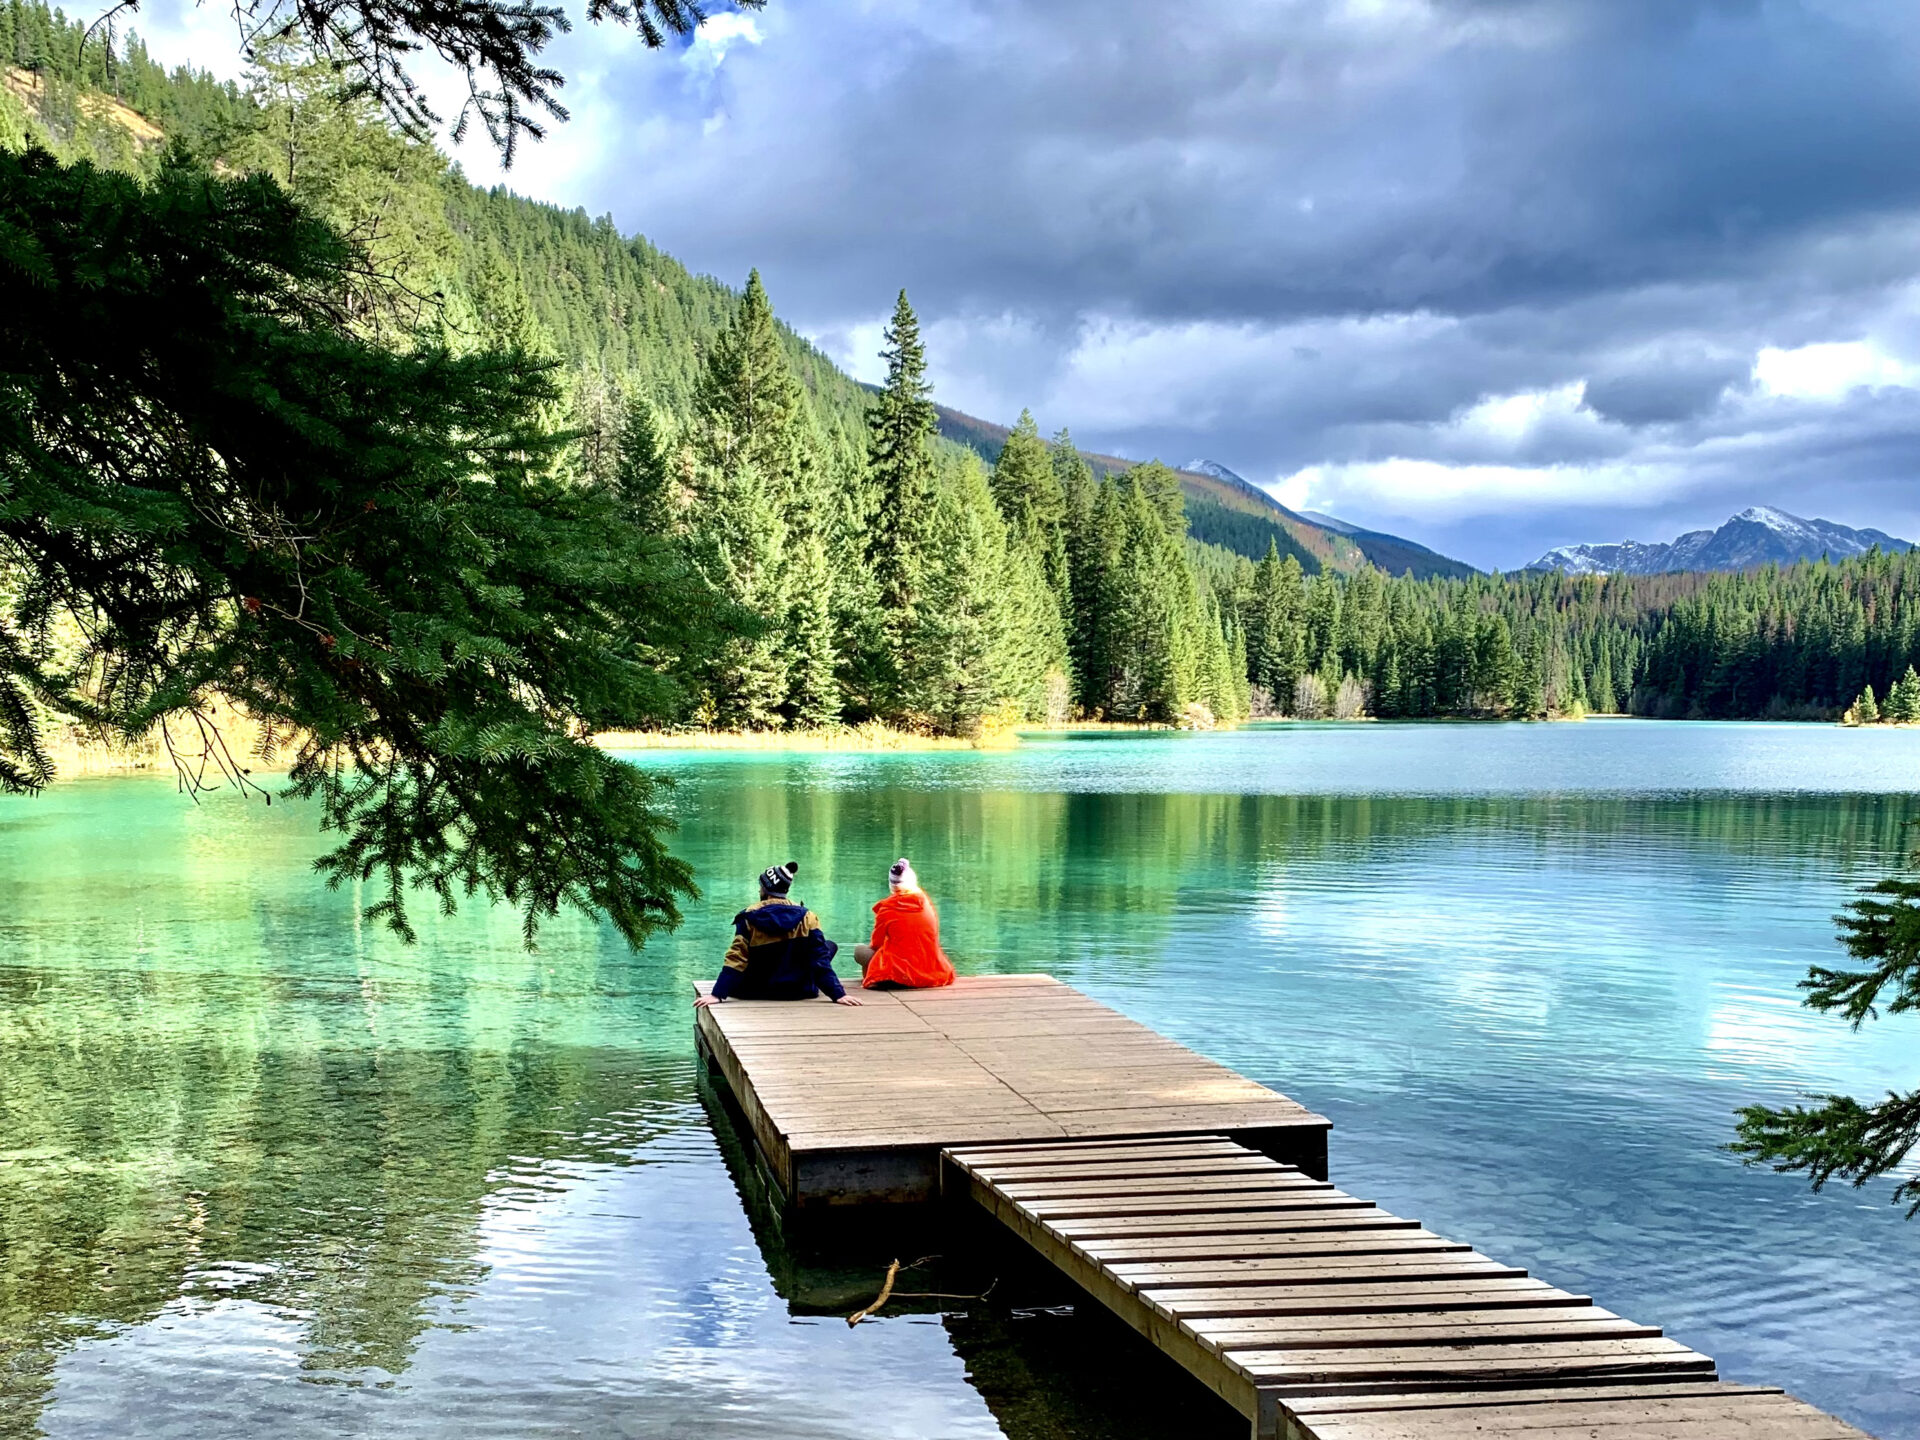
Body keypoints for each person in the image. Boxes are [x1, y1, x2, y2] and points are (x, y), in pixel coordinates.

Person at [694, 860, 861, 1007]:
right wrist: (839, 994)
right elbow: (819, 961)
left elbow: (736, 959)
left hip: (753, 991)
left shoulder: (748, 917)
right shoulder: (808, 917)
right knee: (827, 947)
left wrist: (717, 994)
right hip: (797, 991)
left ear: (764, 888)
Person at [854, 858, 956, 989]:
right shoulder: (925, 903)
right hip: (932, 971)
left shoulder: (886, 909)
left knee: (860, 951)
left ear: (891, 884)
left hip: (899, 974)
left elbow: (876, 944)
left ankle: (874, 980)